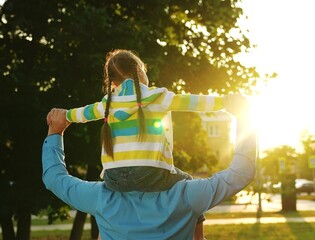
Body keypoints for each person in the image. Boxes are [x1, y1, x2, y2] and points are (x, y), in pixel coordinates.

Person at [42, 94, 256, 239]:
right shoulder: (187, 195)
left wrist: (56, 132)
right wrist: (245, 117)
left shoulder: (101, 198)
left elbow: (54, 178)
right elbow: (241, 171)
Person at [63, 49, 224, 235]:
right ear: (139, 71)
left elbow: (81, 114)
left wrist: (64, 115)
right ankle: (198, 237)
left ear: (112, 82)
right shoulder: (156, 97)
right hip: (150, 176)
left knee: (105, 203)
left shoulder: (107, 103)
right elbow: (192, 102)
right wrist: (226, 102)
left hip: (113, 180)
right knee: (188, 184)